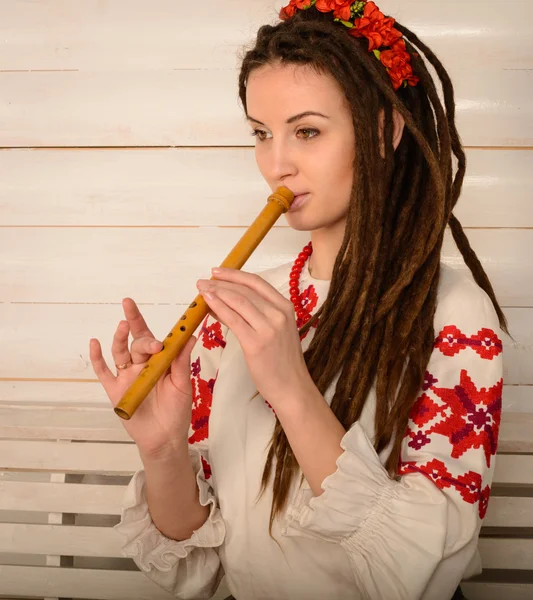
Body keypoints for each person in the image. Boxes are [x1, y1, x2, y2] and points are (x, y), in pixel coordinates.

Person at [89, 1, 509, 598]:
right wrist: (163, 451)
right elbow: (201, 570)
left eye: (306, 131)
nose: (275, 165)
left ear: (385, 129)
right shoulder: (238, 310)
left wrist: (288, 386)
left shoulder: (455, 313)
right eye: (261, 134)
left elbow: (423, 575)